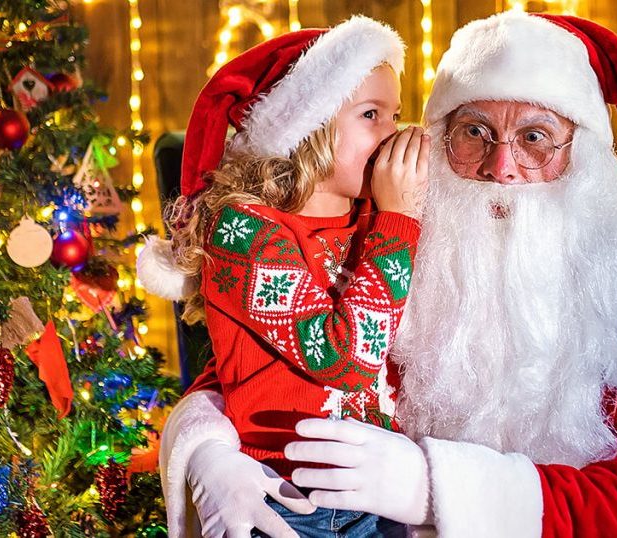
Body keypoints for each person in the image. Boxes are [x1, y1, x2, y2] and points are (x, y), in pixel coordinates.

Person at [147, 11, 617, 538]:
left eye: (535, 137)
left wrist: (432, 487)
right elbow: (256, 364)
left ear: (582, 151)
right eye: (473, 133)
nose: (501, 167)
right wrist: (206, 452)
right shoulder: (402, 236)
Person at [138, 16, 429, 537]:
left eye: (397, 115)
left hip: (382, 491)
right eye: (372, 115)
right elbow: (340, 359)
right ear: (307, 128)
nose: (395, 135)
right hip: (288, 500)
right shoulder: (242, 234)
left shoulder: (373, 217)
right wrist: (399, 221)